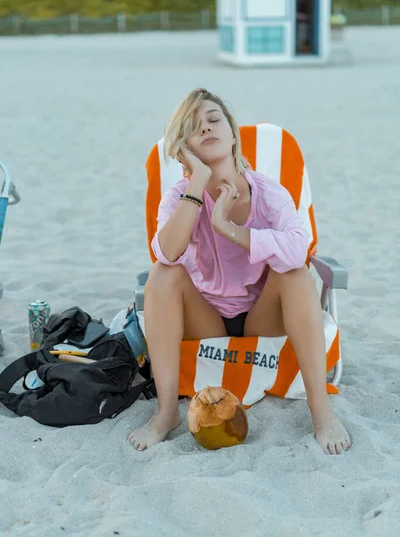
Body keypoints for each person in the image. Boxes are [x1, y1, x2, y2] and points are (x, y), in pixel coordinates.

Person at [128, 88, 351, 455]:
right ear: (185, 149)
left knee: (294, 273)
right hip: (207, 320)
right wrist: (197, 184)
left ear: (233, 134)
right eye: (193, 128)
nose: (206, 129)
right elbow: (166, 252)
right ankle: (166, 412)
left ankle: (321, 412)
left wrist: (229, 229)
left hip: (262, 319)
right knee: (165, 273)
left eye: (214, 120)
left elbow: (298, 250)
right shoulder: (179, 197)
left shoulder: (269, 193)